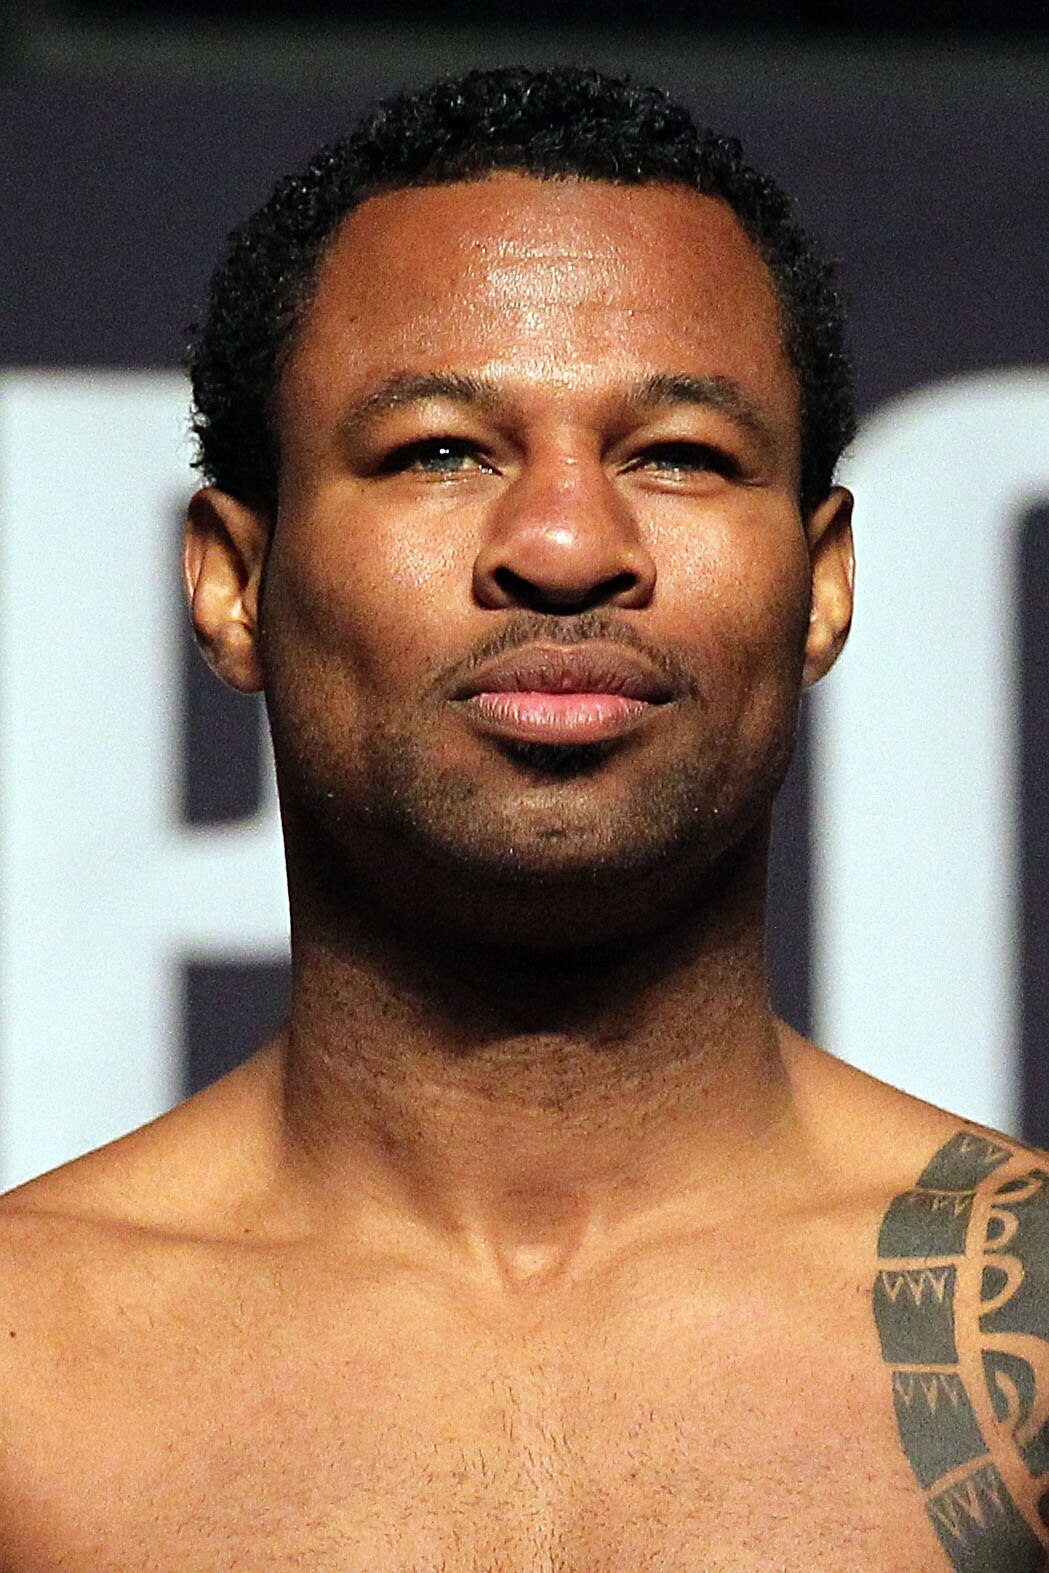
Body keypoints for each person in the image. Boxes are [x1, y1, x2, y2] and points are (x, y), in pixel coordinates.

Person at [1, 65, 1046, 1573]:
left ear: (823, 580)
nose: (564, 545)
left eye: (677, 455)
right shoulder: (30, 1383)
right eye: (438, 449)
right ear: (232, 579)